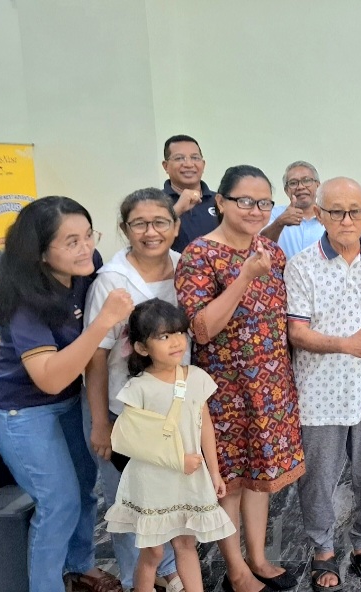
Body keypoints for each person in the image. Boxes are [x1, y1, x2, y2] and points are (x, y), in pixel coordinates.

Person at [0, 196, 133, 592]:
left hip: (66, 399)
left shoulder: (86, 266)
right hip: (21, 408)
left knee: (83, 489)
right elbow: (48, 377)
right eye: (71, 241)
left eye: (89, 235)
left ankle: (80, 568)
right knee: (59, 502)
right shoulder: (24, 301)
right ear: (40, 252)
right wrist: (103, 322)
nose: (86, 248)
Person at [176, 165, 305, 592]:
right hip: (225, 392)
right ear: (220, 202)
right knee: (229, 483)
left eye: (264, 202)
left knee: (261, 477)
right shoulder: (199, 254)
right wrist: (245, 276)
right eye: (245, 201)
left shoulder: (273, 252)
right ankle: (236, 569)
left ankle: (259, 558)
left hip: (272, 386)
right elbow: (201, 329)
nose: (255, 210)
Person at [285, 177, 361, 592]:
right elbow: (296, 333)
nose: (346, 219)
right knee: (318, 480)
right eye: (336, 211)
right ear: (320, 214)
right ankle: (322, 550)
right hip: (318, 395)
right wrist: (345, 345)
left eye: (354, 211)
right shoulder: (301, 266)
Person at [84, 188, 185, 590]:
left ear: (175, 226)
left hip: (173, 408)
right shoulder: (112, 281)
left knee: (170, 494)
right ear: (125, 229)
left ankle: (168, 569)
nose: (150, 232)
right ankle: (132, 578)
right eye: (139, 224)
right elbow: (95, 358)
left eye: (160, 222)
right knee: (127, 502)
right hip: (124, 411)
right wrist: (100, 423)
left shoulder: (185, 267)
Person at [104, 299, 235, 592]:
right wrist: (177, 458)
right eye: (163, 336)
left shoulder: (196, 378)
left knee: (186, 544)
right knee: (153, 552)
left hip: (188, 477)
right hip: (152, 480)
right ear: (142, 348)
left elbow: (205, 426)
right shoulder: (138, 388)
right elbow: (135, 439)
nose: (176, 341)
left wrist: (214, 472)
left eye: (178, 333)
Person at [161, 134, 217, 252]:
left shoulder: (220, 200)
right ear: (165, 166)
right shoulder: (154, 202)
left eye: (195, 158)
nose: (188, 164)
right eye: (179, 158)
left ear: (203, 164)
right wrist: (177, 210)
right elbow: (150, 238)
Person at [261, 160, 325, 258]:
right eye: (293, 183)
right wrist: (279, 223)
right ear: (286, 190)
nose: (300, 187)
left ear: (318, 185)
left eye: (306, 180)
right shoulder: (273, 214)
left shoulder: (330, 216)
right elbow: (260, 245)